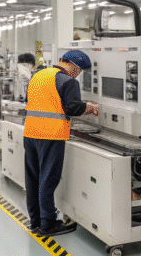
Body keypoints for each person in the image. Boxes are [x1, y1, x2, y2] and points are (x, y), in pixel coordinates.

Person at [23, 50, 99, 237]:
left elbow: (33, 102)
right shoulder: (68, 81)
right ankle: (48, 224)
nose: (78, 75)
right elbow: (73, 108)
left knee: (33, 179)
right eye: (79, 70)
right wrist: (90, 107)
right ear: (73, 66)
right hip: (51, 134)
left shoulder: (38, 75)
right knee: (48, 179)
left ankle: (35, 221)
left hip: (30, 132)